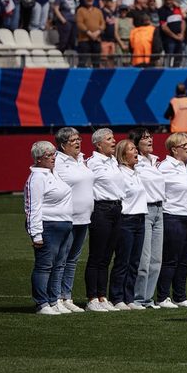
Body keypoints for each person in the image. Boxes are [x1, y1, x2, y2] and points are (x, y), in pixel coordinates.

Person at [25, 141, 73, 315]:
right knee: (44, 265)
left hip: (64, 224)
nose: (53, 158)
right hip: (49, 226)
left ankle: (54, 300)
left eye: (54, 154)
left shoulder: (54, 173)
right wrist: (36, 234)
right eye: (49, 155)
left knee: (59, 265)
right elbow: (33, 207)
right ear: (38, 159)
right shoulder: (37, 178)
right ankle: (41, 303)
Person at [155, 132, 187, 309]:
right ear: (174, 150)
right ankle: (162, 296)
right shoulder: (165, 167)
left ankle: (180, 295)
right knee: (170, 259)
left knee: (184, 260)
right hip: (174, 216)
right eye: (185, 146)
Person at [53, 128, 94, 313]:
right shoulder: (58, 162)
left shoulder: (81, 160)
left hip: (84, 218)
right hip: (67, 217)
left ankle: (66, 296)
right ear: (62, 145)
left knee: (73, 260)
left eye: (78, 139)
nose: (77, 142)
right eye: (72, 140)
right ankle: (55, 298)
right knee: (60, 259)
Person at [85, 128, 126, 312]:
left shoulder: (112, 161)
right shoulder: (92, 162)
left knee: (107, 256)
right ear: (98, 144)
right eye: (109, 139)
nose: (113, 141)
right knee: (96, 255)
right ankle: (92, 297)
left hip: (116, 208)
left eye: (113, 138)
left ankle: (103, 296)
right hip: (101, 209)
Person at [109, 139, 148, 311]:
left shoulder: (136, 172)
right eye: (132, 149)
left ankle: (129, 296)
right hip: (126, 220)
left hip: (140, 219)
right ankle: (117, 297)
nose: (136, 152)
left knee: (135, 261)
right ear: (123, 155)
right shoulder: (120, 174)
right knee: (123, 261)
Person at [129, 128, 165, 309]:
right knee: (144, 260)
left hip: (159, 209)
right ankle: (137, 297)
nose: (149, 140)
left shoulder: (155, 161)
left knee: (156, 260)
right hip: (144, 210)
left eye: (150, 137)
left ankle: (148, 298)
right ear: (136, 143)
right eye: (144, 138)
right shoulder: (136, 163)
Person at [75, 0, 105, 67]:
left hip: (96, 39)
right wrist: (89, 33)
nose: (89, 0)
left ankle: (96, 77)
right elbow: (79, 23)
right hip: (84, 40)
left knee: (96, 62)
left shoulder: (98, 11)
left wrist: (98, 32)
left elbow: (103, 23)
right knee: (82, 62)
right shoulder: (80, 10)